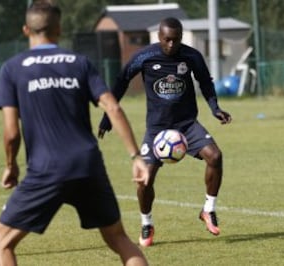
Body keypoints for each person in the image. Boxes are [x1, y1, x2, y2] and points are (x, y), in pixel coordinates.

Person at [0, 2, 150, 265]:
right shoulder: (79, 62)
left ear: (26, 29)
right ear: (59, 28)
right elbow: (113, 107)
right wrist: (136, 157)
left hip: (46, 168)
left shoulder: (13, 68)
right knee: (119, 239)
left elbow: (11, 133)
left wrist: (10, 166)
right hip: (88, 164)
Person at [98, 17, 232, 247]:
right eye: (167, 40)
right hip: (157, 130)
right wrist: (107, 116)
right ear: (159, 37)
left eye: (176, 40)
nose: (171, 45)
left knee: (215, 156)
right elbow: (121, 81)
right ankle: (146, 223)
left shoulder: (191, 56)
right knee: (144, 179)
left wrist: (215, 108)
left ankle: (208, 210)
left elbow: (205, 82)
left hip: (187, 125)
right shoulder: (144, 56)